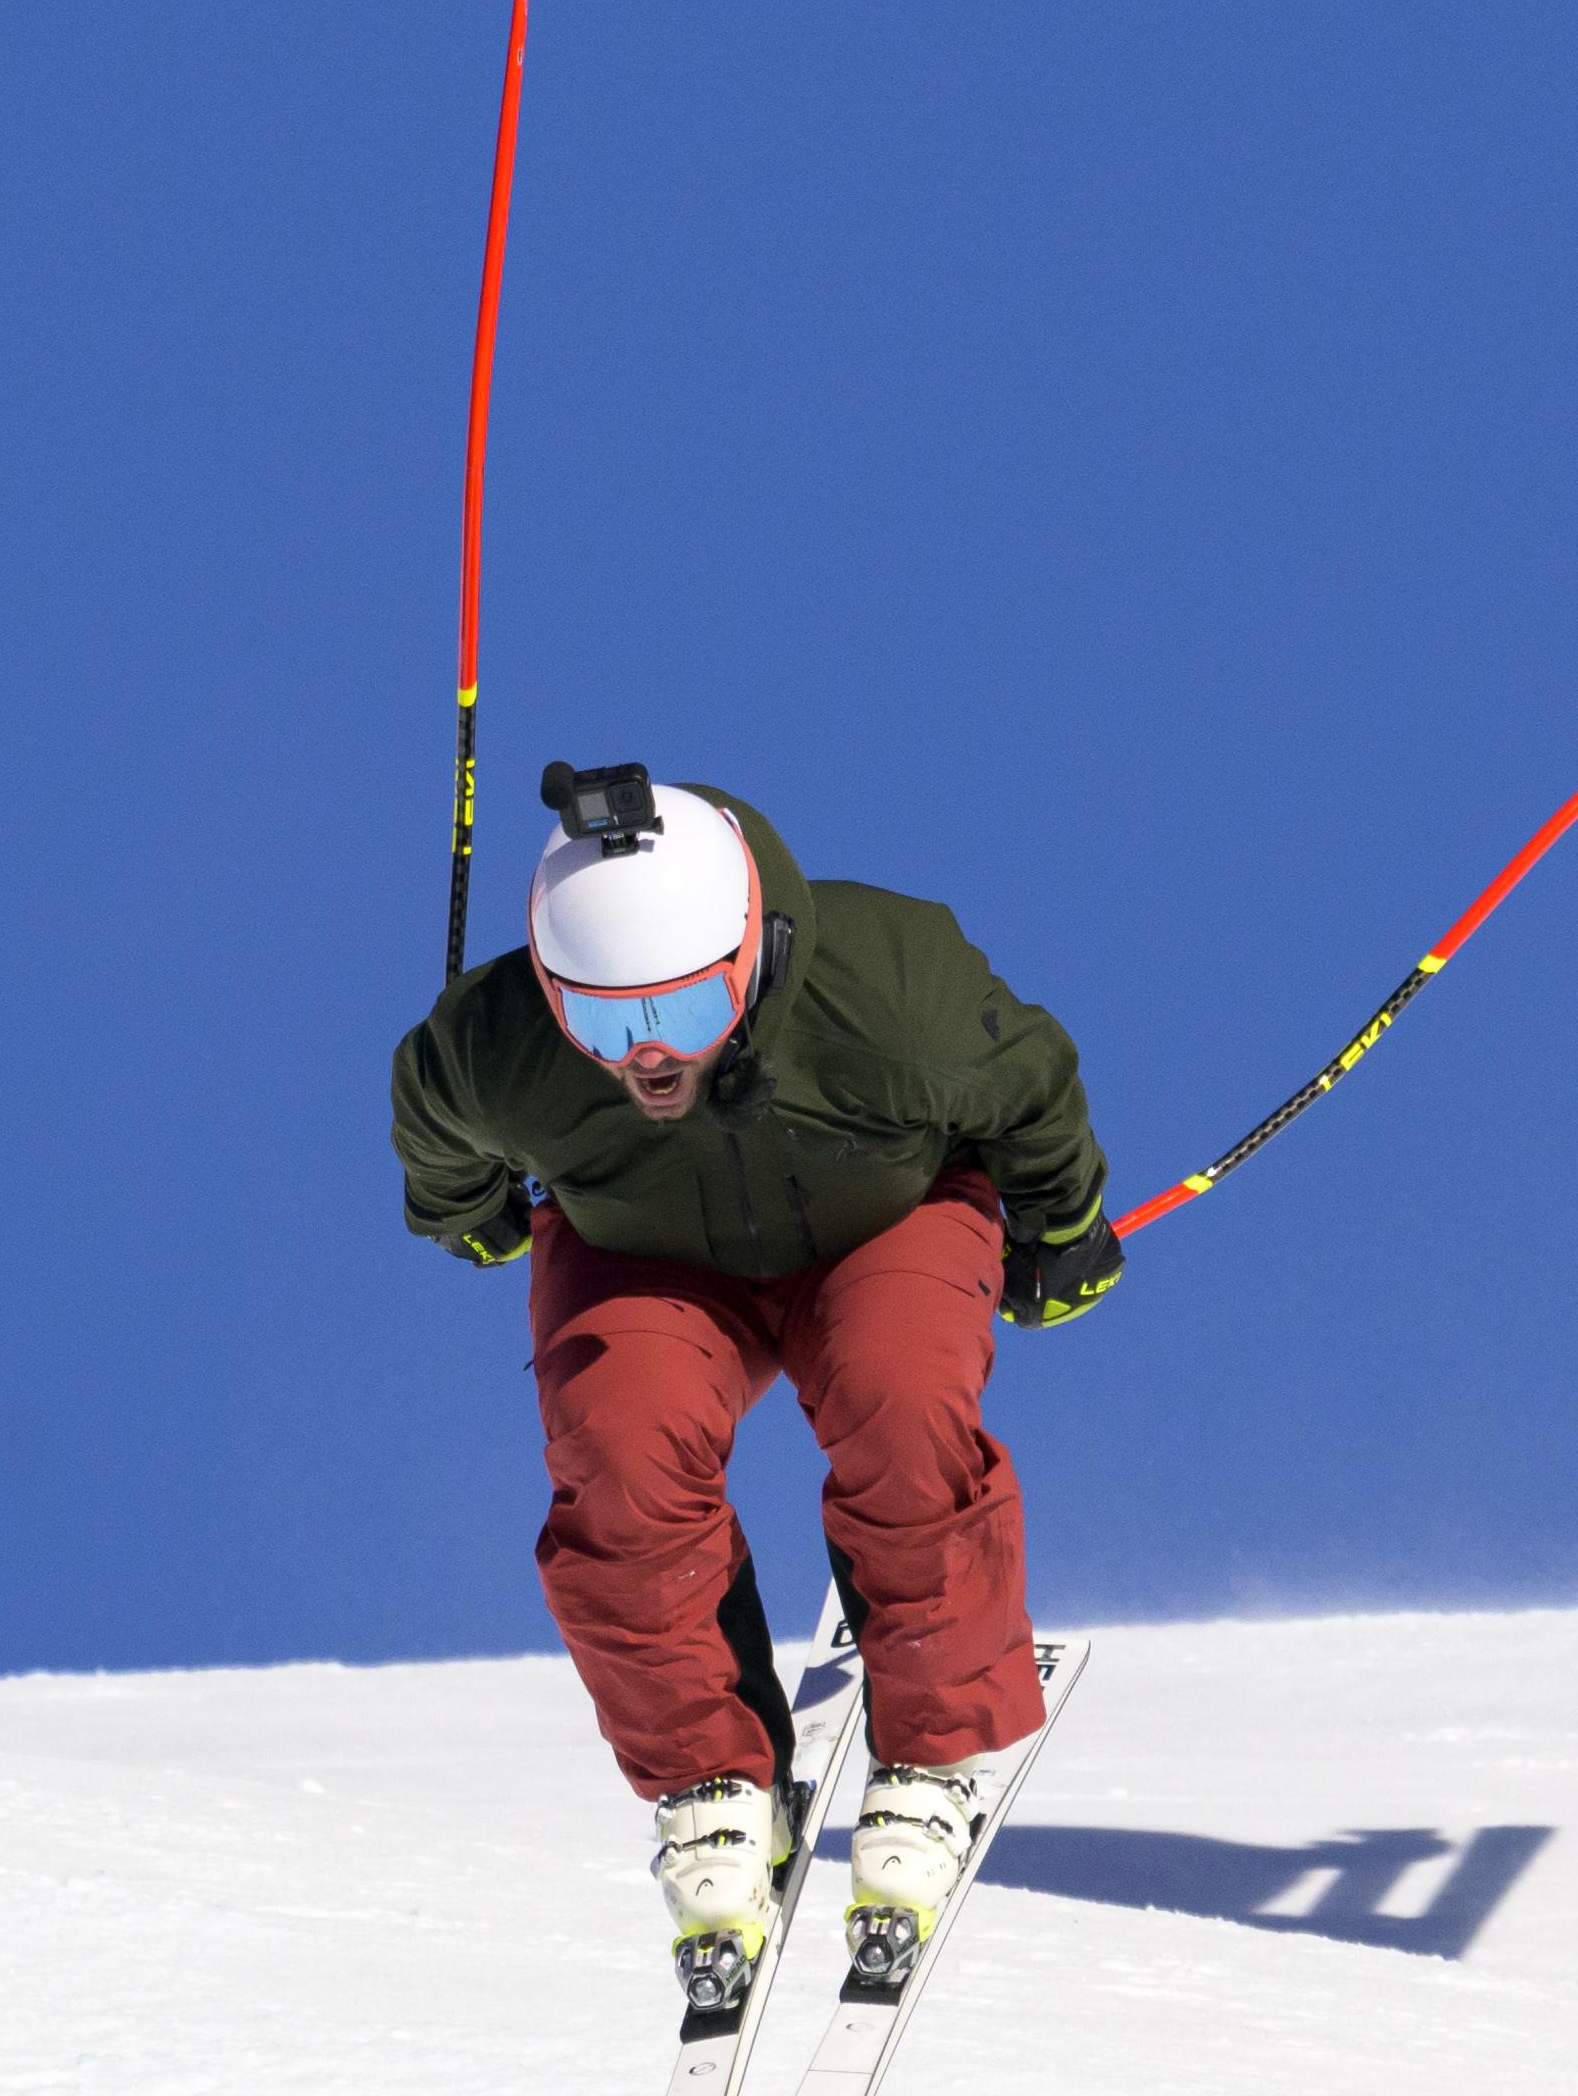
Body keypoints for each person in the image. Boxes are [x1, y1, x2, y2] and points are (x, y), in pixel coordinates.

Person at [386, 767, 1120, 1999]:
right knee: (615, 1465)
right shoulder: (500, 1041)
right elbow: (432, 1122)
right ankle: (713, 1778)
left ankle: (934, 1751)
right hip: (649, 1254)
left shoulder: (889, 987)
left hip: (881, 1222)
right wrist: (476, 1219)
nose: (651, 1057)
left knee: (902, 1408)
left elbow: (1030, 1081)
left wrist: (1066, 1231)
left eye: (681, 1006)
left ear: (752, 951)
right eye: (610, 1027)